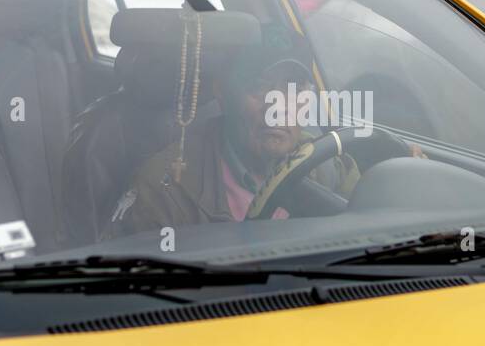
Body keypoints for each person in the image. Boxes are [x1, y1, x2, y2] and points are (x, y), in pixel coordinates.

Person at [110, 24, 357, 236]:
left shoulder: (329, 163)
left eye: (294, 90)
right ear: (222, 91)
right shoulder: (164, 189)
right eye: (260, 87)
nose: (279, 107)